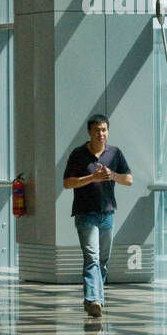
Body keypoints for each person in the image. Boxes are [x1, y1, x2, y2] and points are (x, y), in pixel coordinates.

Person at [63, 114, 133, 317]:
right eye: (97, 130)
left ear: (108, 131)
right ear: (89, 132)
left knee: (103, 260)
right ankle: (94, 300)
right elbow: (67, 183)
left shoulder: (115, 153)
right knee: (92, 257)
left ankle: (95, 298)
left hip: (108, 213)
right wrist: (93, 177)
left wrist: (113, 176)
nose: (101, 134)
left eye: (104, 130)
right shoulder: (78, 154)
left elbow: (129, 180)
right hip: (86, 214)